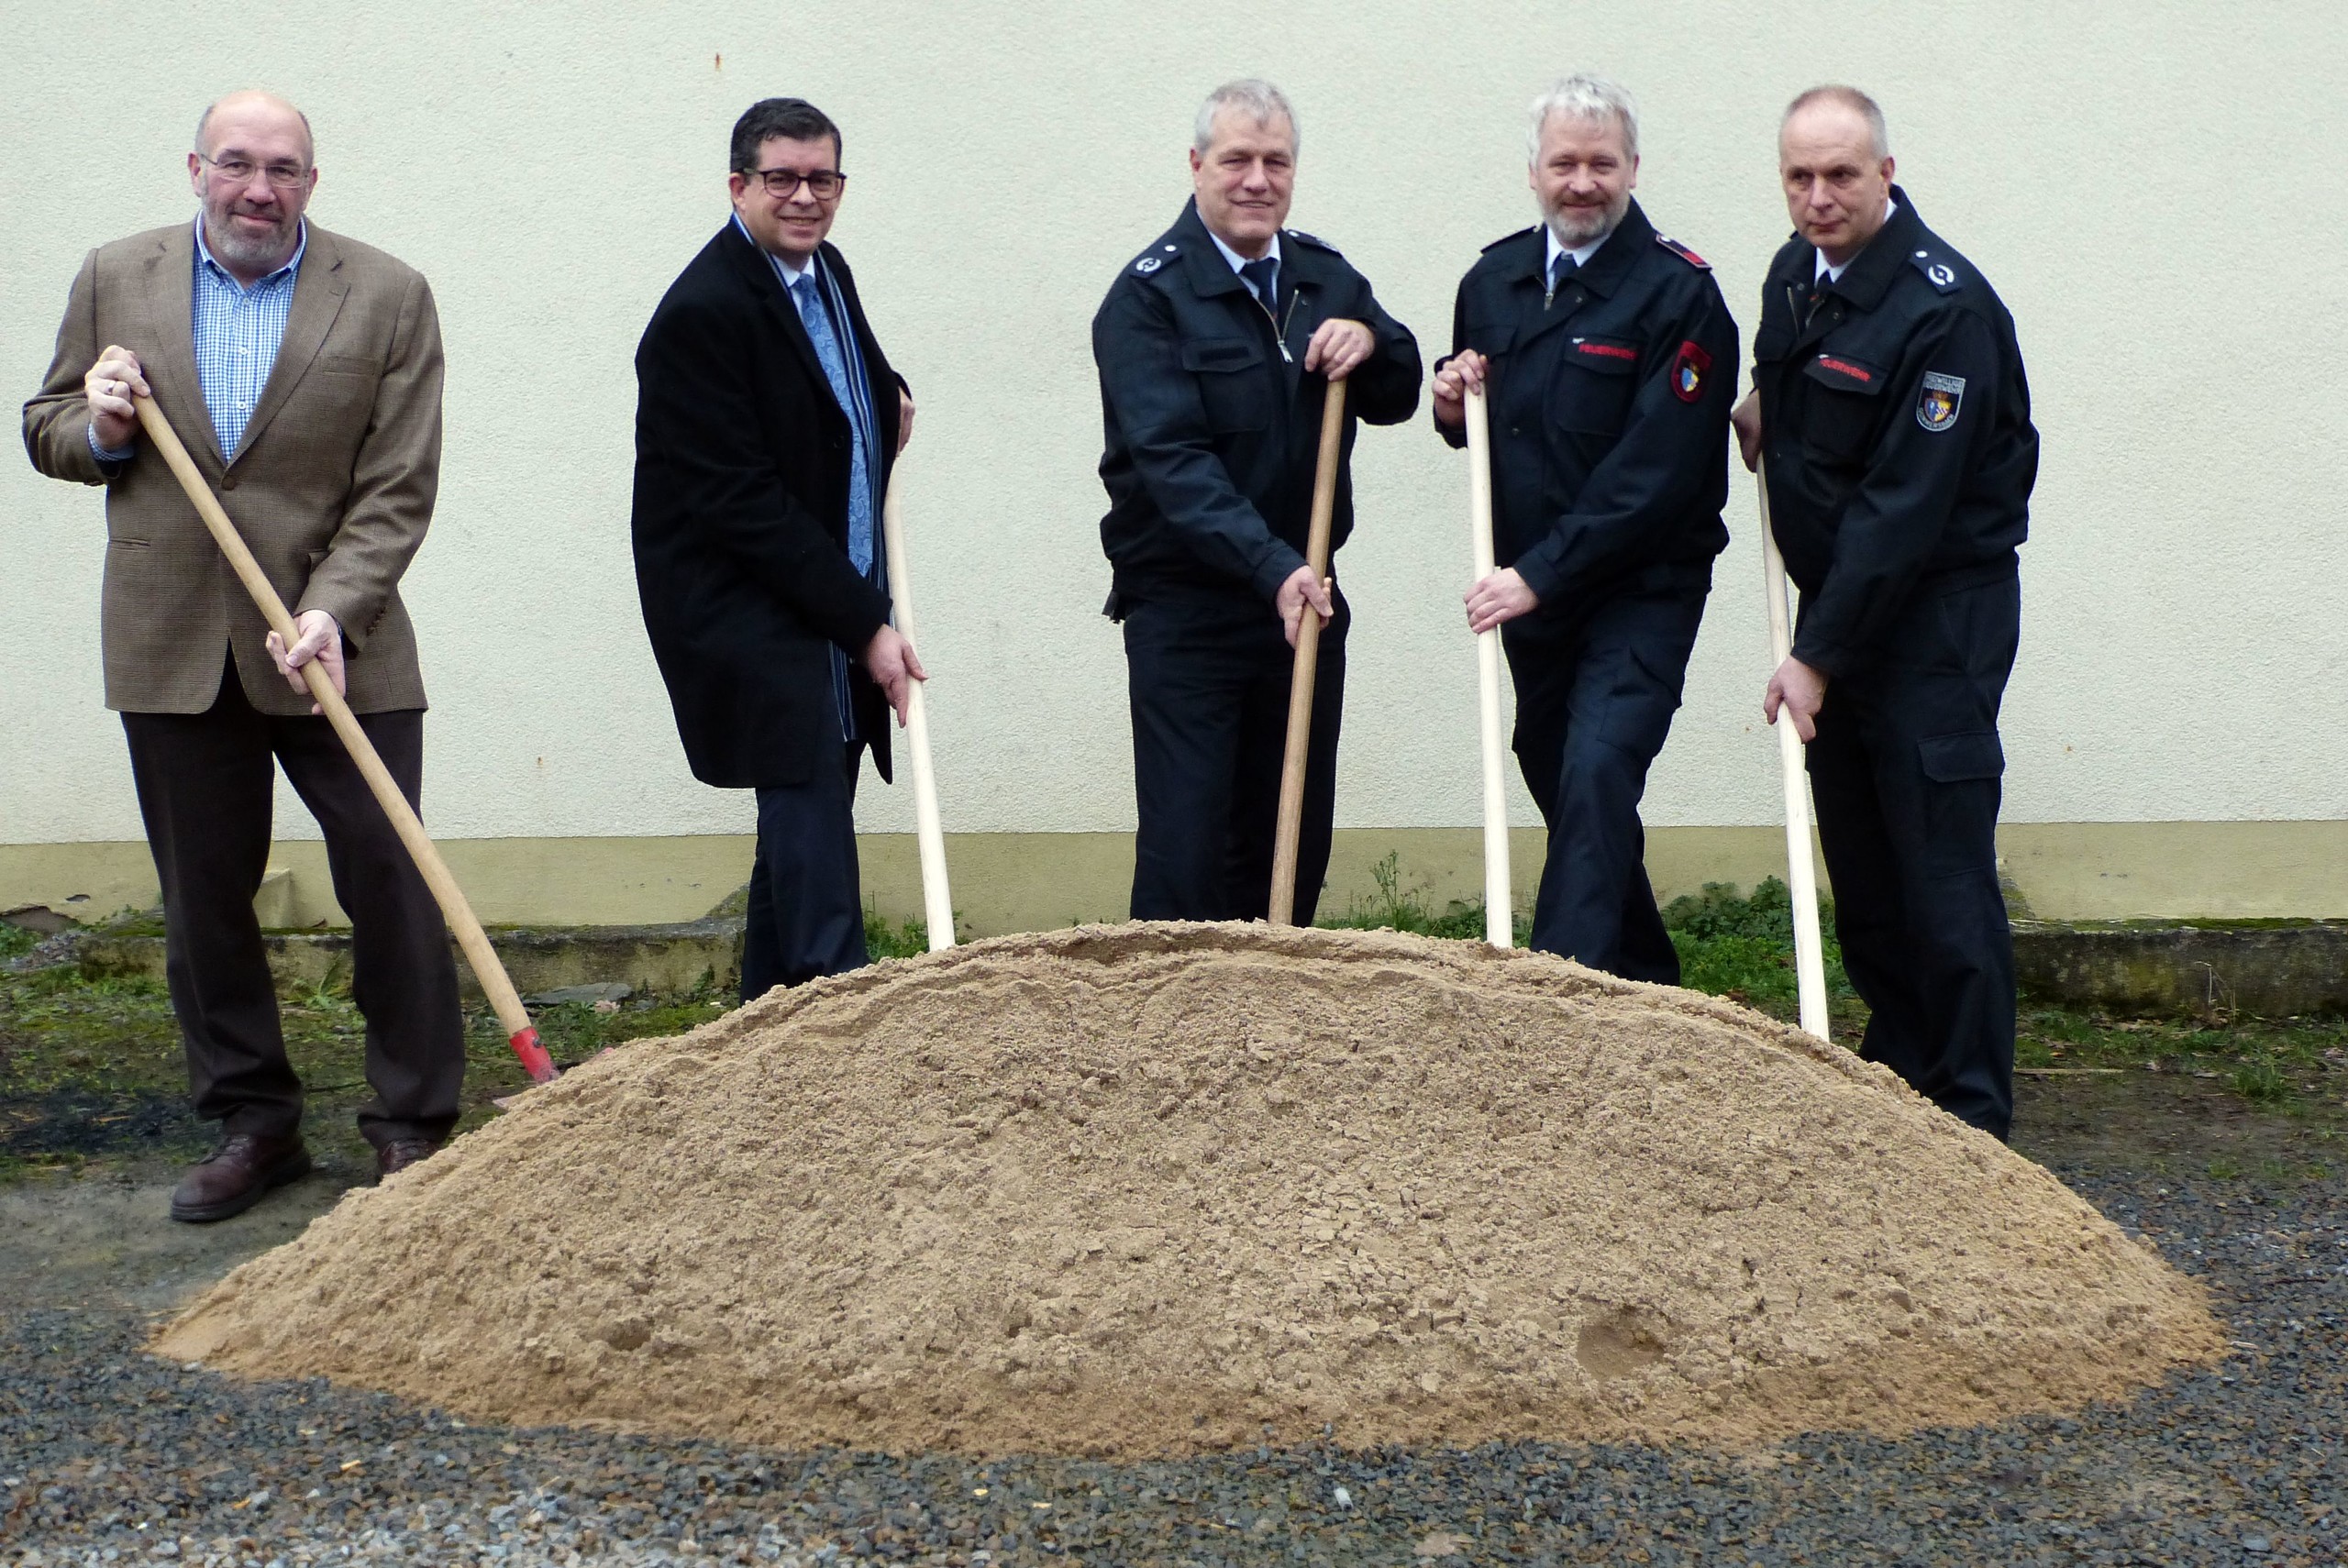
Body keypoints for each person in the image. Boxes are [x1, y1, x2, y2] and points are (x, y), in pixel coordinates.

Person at [22, 91, 462, 1217]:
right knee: (202, 901)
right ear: (196, 168)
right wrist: (105, 429)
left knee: (391, 876)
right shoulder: (118, 274)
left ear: (312, 182)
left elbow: (397, 484)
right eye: (236, 164)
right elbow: (48, 422)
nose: (258, 188)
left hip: (336, 640)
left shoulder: (388, 294)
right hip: (171, 637)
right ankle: (254, 1123)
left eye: (283, 168)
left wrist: (334, 607)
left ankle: (412, 1125)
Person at [1731, 84, 2038, 1139]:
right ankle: (1902, 1084)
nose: (1818, 198)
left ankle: (1971, 1119)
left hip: (1930, 624)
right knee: (1864, 869)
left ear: (1886, 176)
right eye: (1799, 178)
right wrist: (1772, 406)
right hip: (1843, 616)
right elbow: (1802, 391)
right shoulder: (1793, 277)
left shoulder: (1943, 310)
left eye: (1840, 176)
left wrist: (1814, 659)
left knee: (1938, 872)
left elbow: (1904, 509)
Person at [1430, 75, 1736, 982]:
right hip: (1538, 595)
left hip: (1639, 590)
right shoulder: (1492, 281)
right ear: (1532, 171)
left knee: (1599, 765)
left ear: (1632, 168)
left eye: (1601, 163)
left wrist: (1536, 575)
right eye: (1563, 162)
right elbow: (1488, 423)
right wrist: (1450, 403)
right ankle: (1644, 979)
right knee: (1554, 763)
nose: (1582, 182)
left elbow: (1658, 477)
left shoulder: (1680, 296)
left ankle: (1556, 1001)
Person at [1093, 79, 1422, 924]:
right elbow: (1174, 467)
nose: (1256, 180)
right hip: (1189, 610)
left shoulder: (1323, 276)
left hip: (1305, 604)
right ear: (1196, 165)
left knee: (1288, 845)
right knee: (1187, 851)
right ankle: (1166, 1031)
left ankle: (1272, 1035)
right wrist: (1271, 568)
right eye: (1236, 159)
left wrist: (1374, 341)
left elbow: (1400, 390)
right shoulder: (1147, 299)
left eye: (1276, 161)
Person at [632, 97, 924, 1003]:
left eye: (822, 178)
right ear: (738, 186)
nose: (805, 196)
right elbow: (741, 503)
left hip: (817, 592)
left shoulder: (825, 271)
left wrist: (890, 402)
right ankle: (837, 1023)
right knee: (805, 796)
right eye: (782, 178)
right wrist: (867, 625)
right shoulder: (702, 312)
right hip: (745, 606)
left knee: (806, 808)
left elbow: (851, 385)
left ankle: (766, 1023)